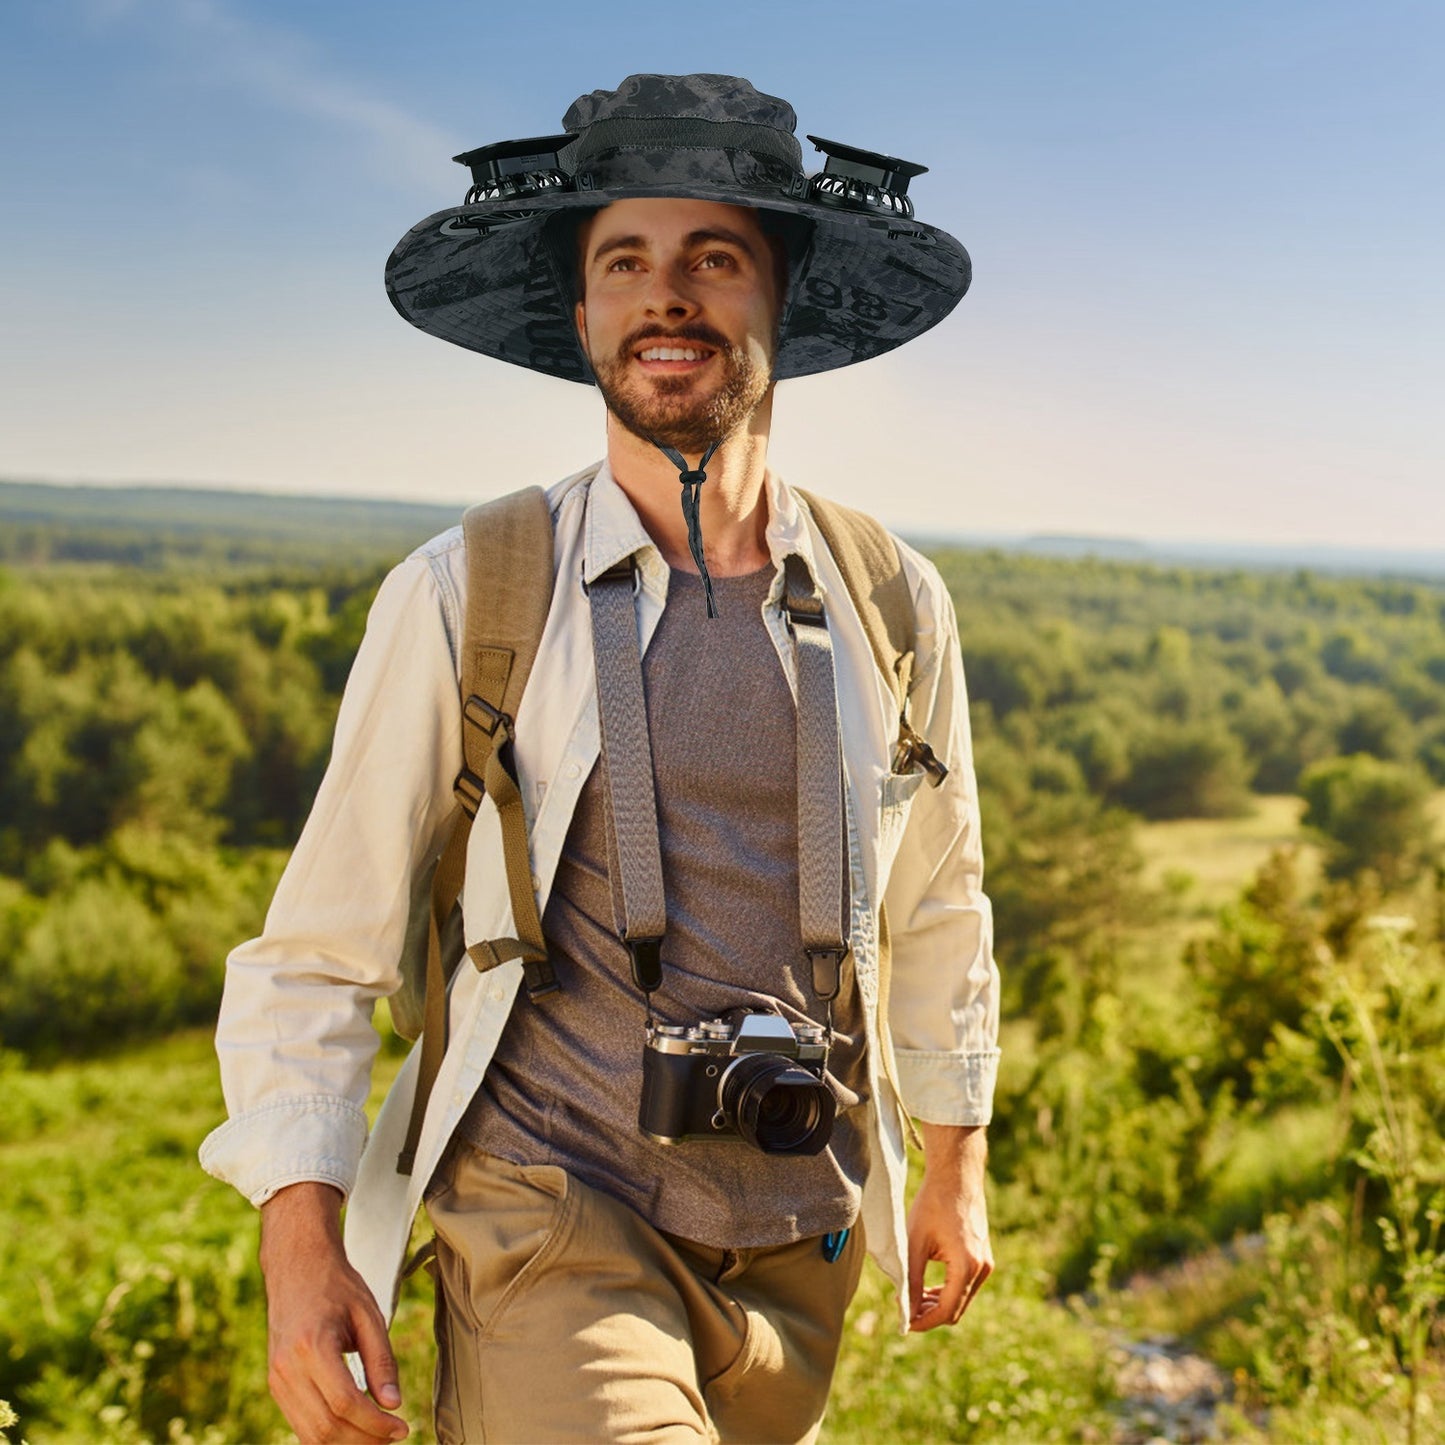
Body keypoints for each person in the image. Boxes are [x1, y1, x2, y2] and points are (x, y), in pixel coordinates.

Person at [201, 73, 1000, 1444]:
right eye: (622, 261)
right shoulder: (472, 591)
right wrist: (300, 1237)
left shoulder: (888, 595)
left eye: (713, 258)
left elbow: (939, 901)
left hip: (799, 1241)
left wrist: (953, 1159)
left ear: (780, 302)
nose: (664, 294)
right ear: (581, 319)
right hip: (547, 1210)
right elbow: (314, 952)